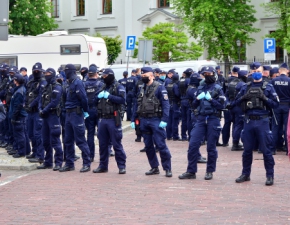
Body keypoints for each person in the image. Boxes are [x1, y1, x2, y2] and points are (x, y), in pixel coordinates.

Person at [179, 66, 225, 180]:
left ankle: (210, 171)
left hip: (213, 119)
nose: (207, 76)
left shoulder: (218, 88)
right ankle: (191, 171)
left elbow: (222, 105)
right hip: (200, 118)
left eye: (209, 73)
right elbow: (194, 105)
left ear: (214, 74)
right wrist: (197, 99)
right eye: (205, 74)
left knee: (211, 147)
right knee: (193, 144)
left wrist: (211, 100)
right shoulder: (200, 88)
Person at [234, 70, 279, 186]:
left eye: (258, 71)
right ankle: (245, 174)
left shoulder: (268, 87)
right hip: (248, 120)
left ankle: (270, 176)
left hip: (262, 120)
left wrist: (264, 98)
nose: (256, 73)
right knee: (247, 150)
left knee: (266, 150)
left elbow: (275, 104)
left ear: (263, 73)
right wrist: (244, 97)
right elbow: (235, 102)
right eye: (253, 71)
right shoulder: (245, 87)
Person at [131, 67, 172, 177]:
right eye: (142, 76)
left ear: (152, 76)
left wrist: (164, 119)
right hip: (144, 119)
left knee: (161, 145)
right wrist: (133, 119)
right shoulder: (142, 88)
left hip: (155, 119)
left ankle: (167, 168)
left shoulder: (160, 88)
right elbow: (137, 104)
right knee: (148, 146)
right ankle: (154, 167)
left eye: (146, 76)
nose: (143, 78)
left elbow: (166, 105)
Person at [93, 68, 127, 174]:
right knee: (102, 144)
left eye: (105, 76)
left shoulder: (118, 86)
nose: (103, 78)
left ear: (111, 75)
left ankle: (121, 166)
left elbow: (122, 100)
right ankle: (103, 166)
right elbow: (94, 100)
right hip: (102, 118)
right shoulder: (102, 86)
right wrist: (98, 97)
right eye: (102, 76)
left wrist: (110, 96)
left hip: (113, 118)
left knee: (116, 144)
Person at [59, 64, 91, 173]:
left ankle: (86, 163)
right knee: (67, 140)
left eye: (66, 71)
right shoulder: (68, 83)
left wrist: (85, 111)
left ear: (71, 71)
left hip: (76, 114)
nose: (65, 72)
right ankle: (69, 163)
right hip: (68, 114)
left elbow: (83, 99)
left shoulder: (78, 82)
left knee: (80, 140)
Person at [37, 68, 63, 170]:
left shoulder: (57, 87)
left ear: (52, 74)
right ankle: (48, 162)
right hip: (45, 116)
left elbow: (54, 102)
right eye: (45, 74)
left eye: (48, 74)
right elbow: (40, 98)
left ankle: (58, 162)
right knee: (45, 140)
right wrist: (40, 109)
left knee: (55, 140)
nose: (46, 75)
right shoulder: (45, 86)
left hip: (53, 116)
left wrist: (45, 110)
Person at [25, 63, 46, 163]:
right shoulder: (31, 82)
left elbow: (40, 96)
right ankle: (34, 152)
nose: (36, 72)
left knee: (38, 134)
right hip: (30, 112)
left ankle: (40, 155)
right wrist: (25, 104)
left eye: (38, 71)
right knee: (30, 134)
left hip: (37, 111)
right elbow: (27, 94)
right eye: (35, 71)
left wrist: (32, 104)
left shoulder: (43, 82)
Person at [84, 65, 103, 162]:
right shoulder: (100, 84)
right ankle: (103, 155)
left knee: (90, 134)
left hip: (88, 111)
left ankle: (91, 156)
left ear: (88, 74)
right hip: (98, 110)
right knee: (101, 134)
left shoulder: (84, 84)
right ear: (97, 73)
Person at [271, 63, 290, 154]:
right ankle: (287, 149)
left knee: (275, 127)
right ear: (287, 71)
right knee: (287, 128)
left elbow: (270, 93)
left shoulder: (274, 81)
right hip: (287, 106)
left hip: (276, 106)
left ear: (279, 71)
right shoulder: (289, 80)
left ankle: (273, 149)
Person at [8, 73, 28, 158]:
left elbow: (18, 106)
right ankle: (23, 150)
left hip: (19, 116)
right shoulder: (18, 90)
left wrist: (14, 116)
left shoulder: (20, 92)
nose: (13, 81)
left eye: (14, 80)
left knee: (20, 134)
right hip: (18, 115)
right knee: (20, 134)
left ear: (17, 81)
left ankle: (21, 151)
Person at [226, 67, 245, 151]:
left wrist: (228, 103)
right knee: (238, 125)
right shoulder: (242, 84)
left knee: (235, 124)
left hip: (231, 106)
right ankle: (235, 143)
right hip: (238, 106)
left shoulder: (231, 83)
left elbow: (226, 94)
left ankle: (235, 141)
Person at [178, 68, 192, 141]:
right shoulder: (189, 80)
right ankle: (190, 136)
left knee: (183, 119)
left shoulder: (181, 80)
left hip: (182, 100)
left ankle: (183, 135)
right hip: (187, 100)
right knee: (188, 119)